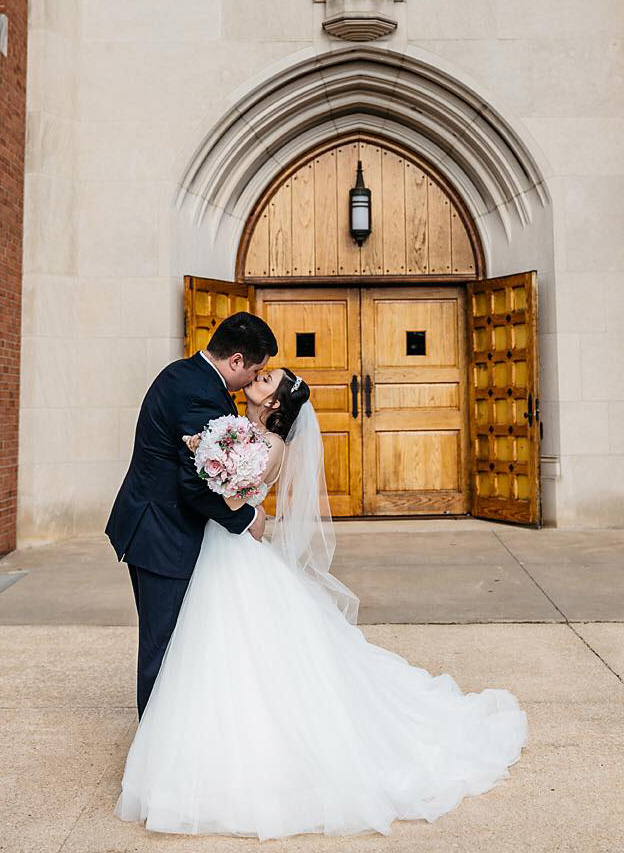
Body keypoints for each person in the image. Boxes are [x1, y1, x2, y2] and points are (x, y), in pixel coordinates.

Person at [114, 366, 529, 840]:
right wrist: (202, 453)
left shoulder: (269, 445)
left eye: (268, 379)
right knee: (213, 652)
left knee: (234, 650)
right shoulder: (232, 426)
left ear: (273, 405)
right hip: (215, 549)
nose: (260, 377)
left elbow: (230, 499)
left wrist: (219, 478)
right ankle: (191, 745)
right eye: (263, 372)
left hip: (230, 552)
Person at [105, 311, 277, 718]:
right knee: (164, 645)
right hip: (162, 532)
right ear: (236, 360)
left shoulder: (182, 373)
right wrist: (246, 518)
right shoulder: (199, 394)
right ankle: (155, 743)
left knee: (173, 639)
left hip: (152, 524)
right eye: (255, 370)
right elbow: (195, 482)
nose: (253, 379)